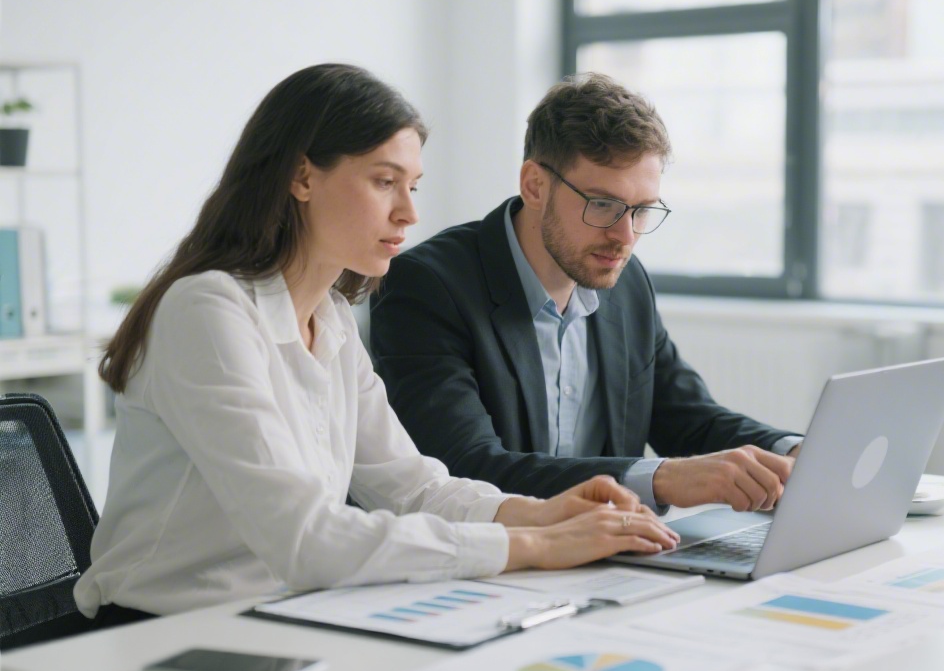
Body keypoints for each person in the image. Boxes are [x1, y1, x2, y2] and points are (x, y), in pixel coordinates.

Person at [75, 64, 677, 626]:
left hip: (285, 616)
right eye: (385, 182)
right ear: (302, 177)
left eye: (413, 185)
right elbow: (307, 540)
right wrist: (534, 544)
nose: (410, 213)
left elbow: (416, 488)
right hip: (163, 631)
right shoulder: (206, 310)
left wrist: (544, 512)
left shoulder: (331, 318)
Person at [370, 73, 802, 515]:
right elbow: (465, 469)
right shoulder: (427, 286)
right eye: (603, 205)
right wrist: (660, 478)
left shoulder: (627, 281)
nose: (625, 235)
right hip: (495, 556)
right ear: (535, 185)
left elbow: (688, 417)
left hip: (608, 557)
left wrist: (790, 453)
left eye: (642, 211)